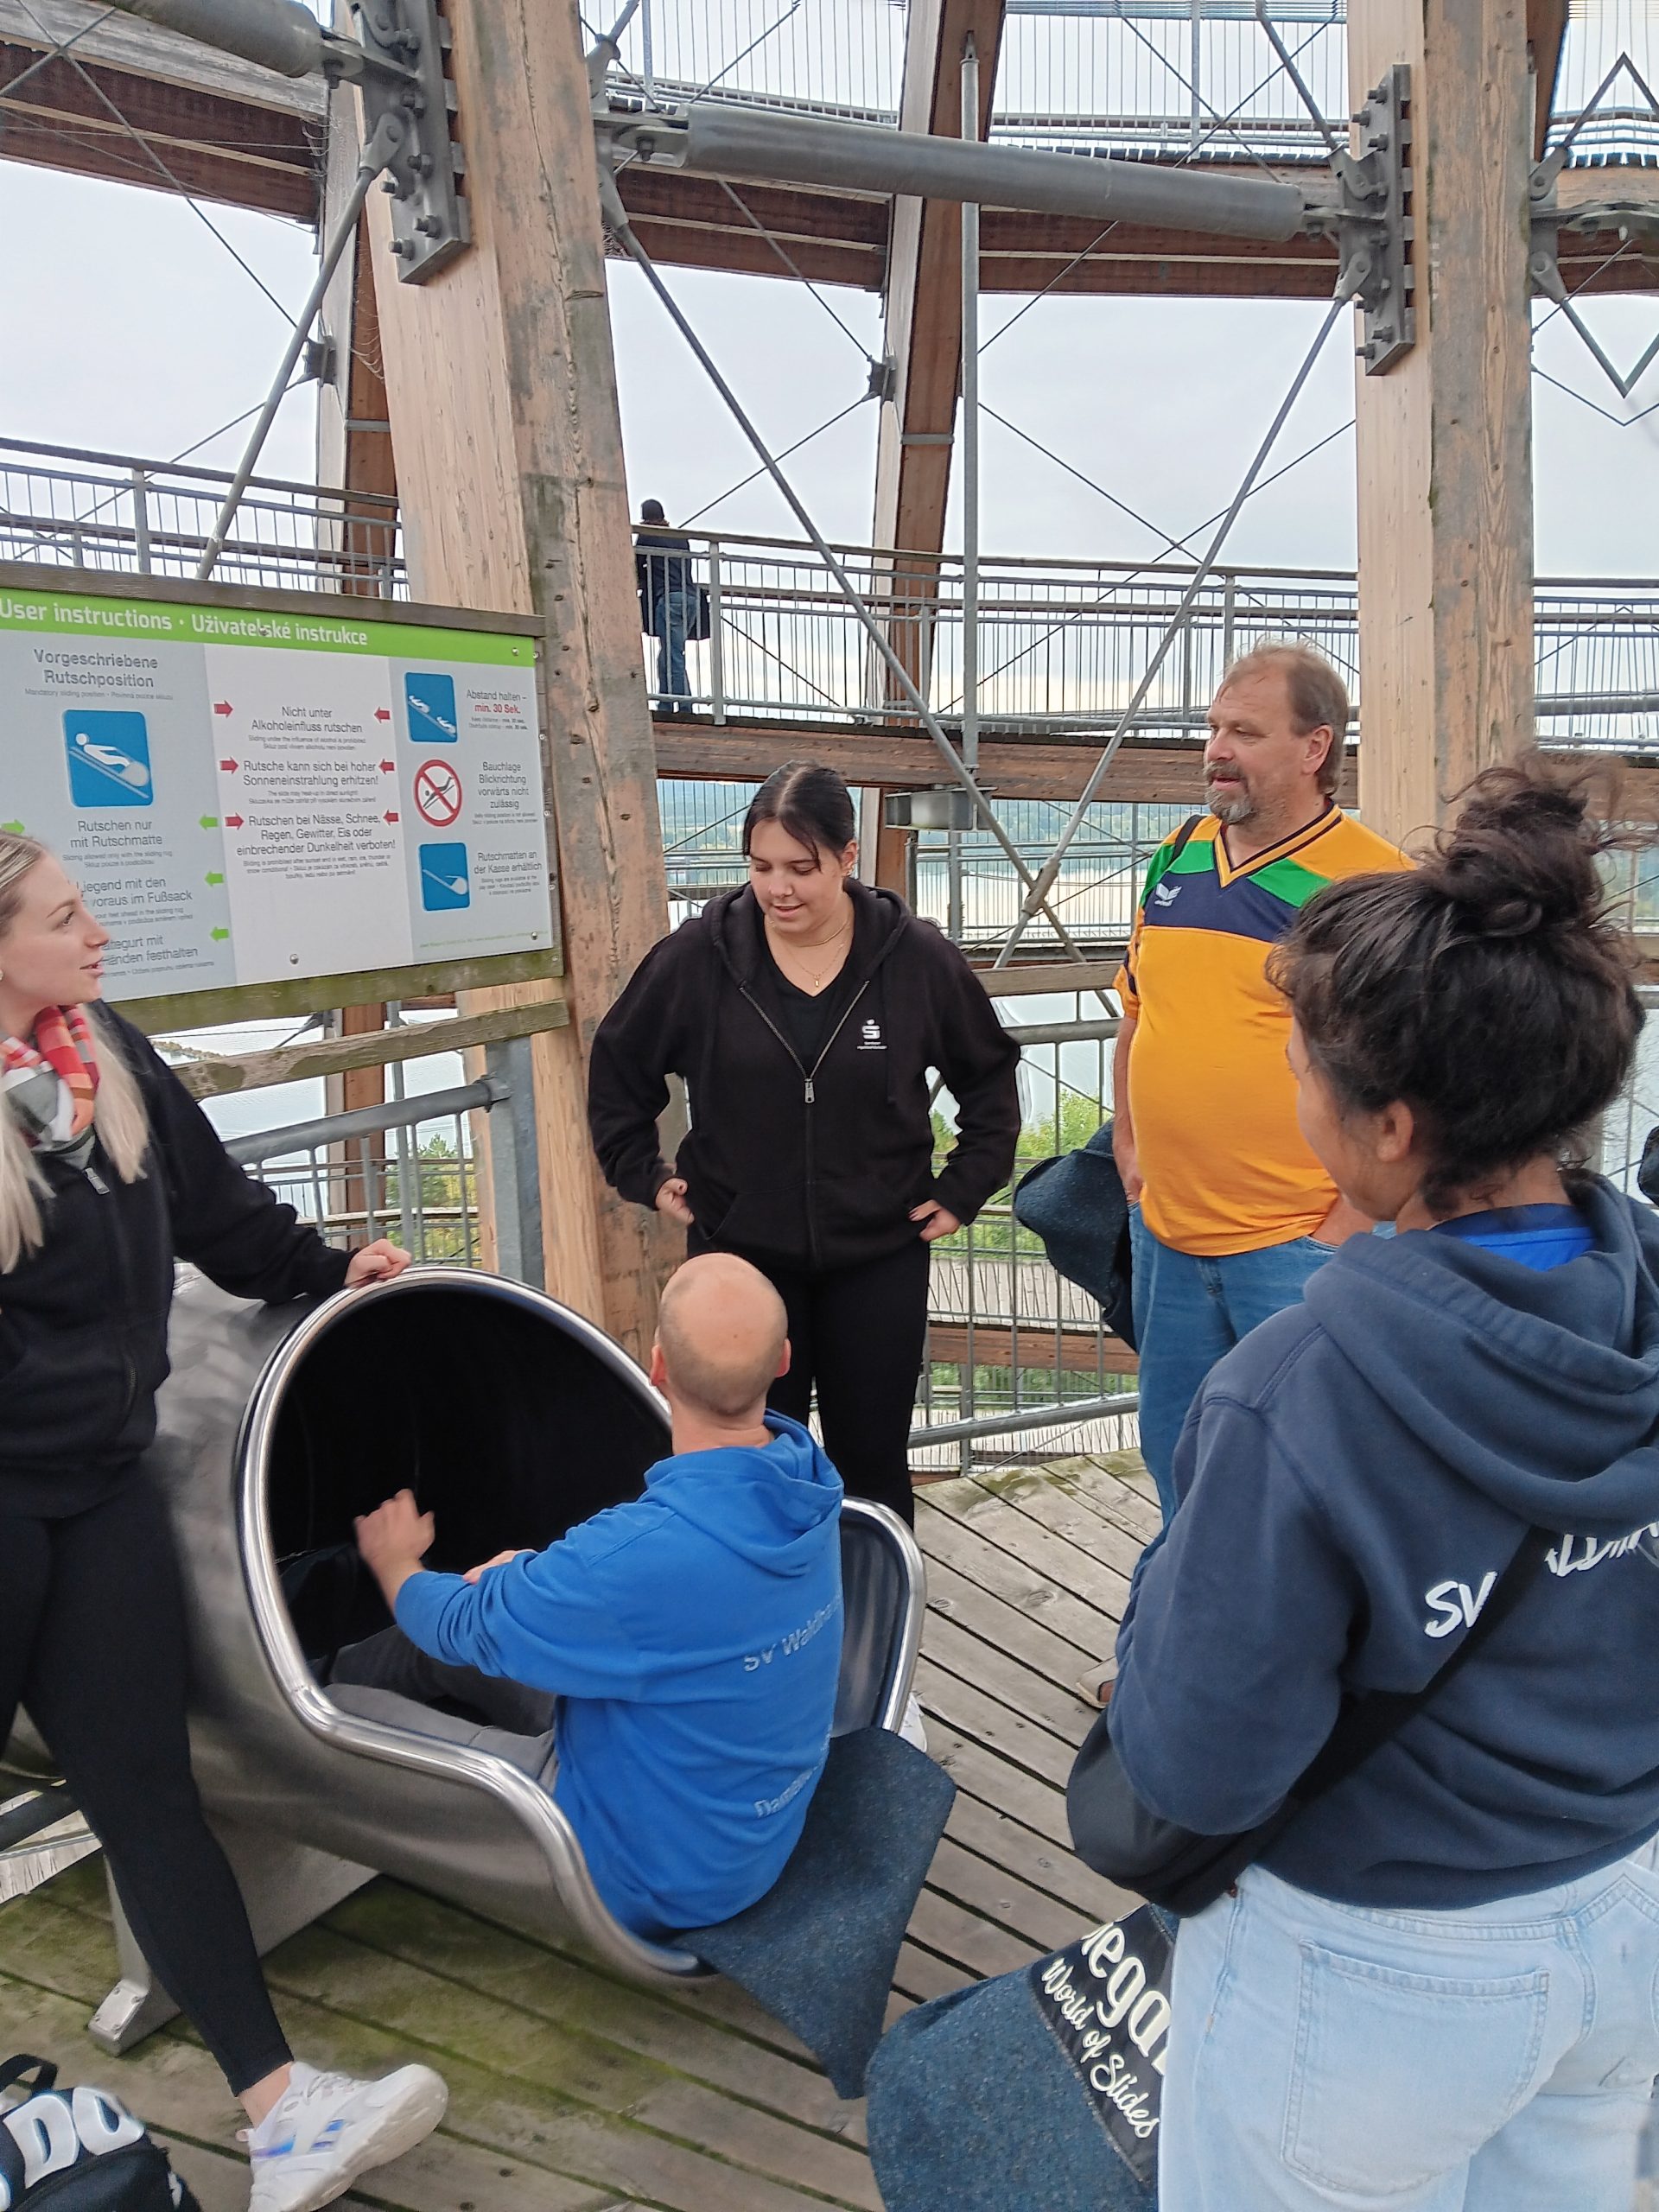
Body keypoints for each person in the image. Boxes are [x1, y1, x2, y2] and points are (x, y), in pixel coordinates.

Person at [1104, 757, 1659, 2209]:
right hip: (1623, 1916)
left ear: (1394, 1127)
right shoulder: (1642, 1305)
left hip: (1374, 1967)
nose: (1294, 1090)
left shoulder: (1299, 1393)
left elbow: (1197, 1763)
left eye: (1301, 1069)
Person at [0, 833, 446, 2212]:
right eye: (64, 918)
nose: (96, 935)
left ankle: (281, 2114)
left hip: (101, 1489)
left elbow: (213, 1208)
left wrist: (328, 1269)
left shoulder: (105, 1060)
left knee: (146, 1792)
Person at [334, 1251, 844, 1940]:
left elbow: (456, 1621)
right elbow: (663, 1599)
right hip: (751, 1839)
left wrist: (395, 1562)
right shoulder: (807, 1482)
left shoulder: (640, 1555)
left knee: (336, 1714)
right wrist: (534, 1580)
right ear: (784, 1360)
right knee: (473, 1641)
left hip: (643, 1877)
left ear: (657, 1365)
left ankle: (323, 1680)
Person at [586, 761, 1020, 1528]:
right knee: (743, 1464)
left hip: (878, 1256)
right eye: (761, 868)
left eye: (800, 868)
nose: (778, 888)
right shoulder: (699, 957)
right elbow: (620, 1067)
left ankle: (874, 1593)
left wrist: (963, 1189)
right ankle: (760, 1597)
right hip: (741, 1256)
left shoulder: (914, 957)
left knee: (872, 1460)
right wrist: (643, 1174)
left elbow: (987, 1076)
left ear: (848, 858)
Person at [1111, 639, 1410, 1520]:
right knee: (1179, 1459)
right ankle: (1185, 1610)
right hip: (1168, 1233)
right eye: (1213, 728)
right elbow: (1138, 1008)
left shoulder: (1371, 882)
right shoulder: (1179, 852)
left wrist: (1346, 1222)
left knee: (1314, 1477)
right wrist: (1129, 1145)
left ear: (1314, 747)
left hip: (1299, 1244)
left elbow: (1412, 1069)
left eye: (1244, 731)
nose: (1217, 749)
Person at [634, 497, 698, 716]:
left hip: (669, 598)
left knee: (673, 655)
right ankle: (666, 703)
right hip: (690, 598)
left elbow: (637, 565)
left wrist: (643, 579)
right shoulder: (680, 537)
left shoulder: (647, 535)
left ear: (645, 518)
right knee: (669, 654)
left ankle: (684, 706)